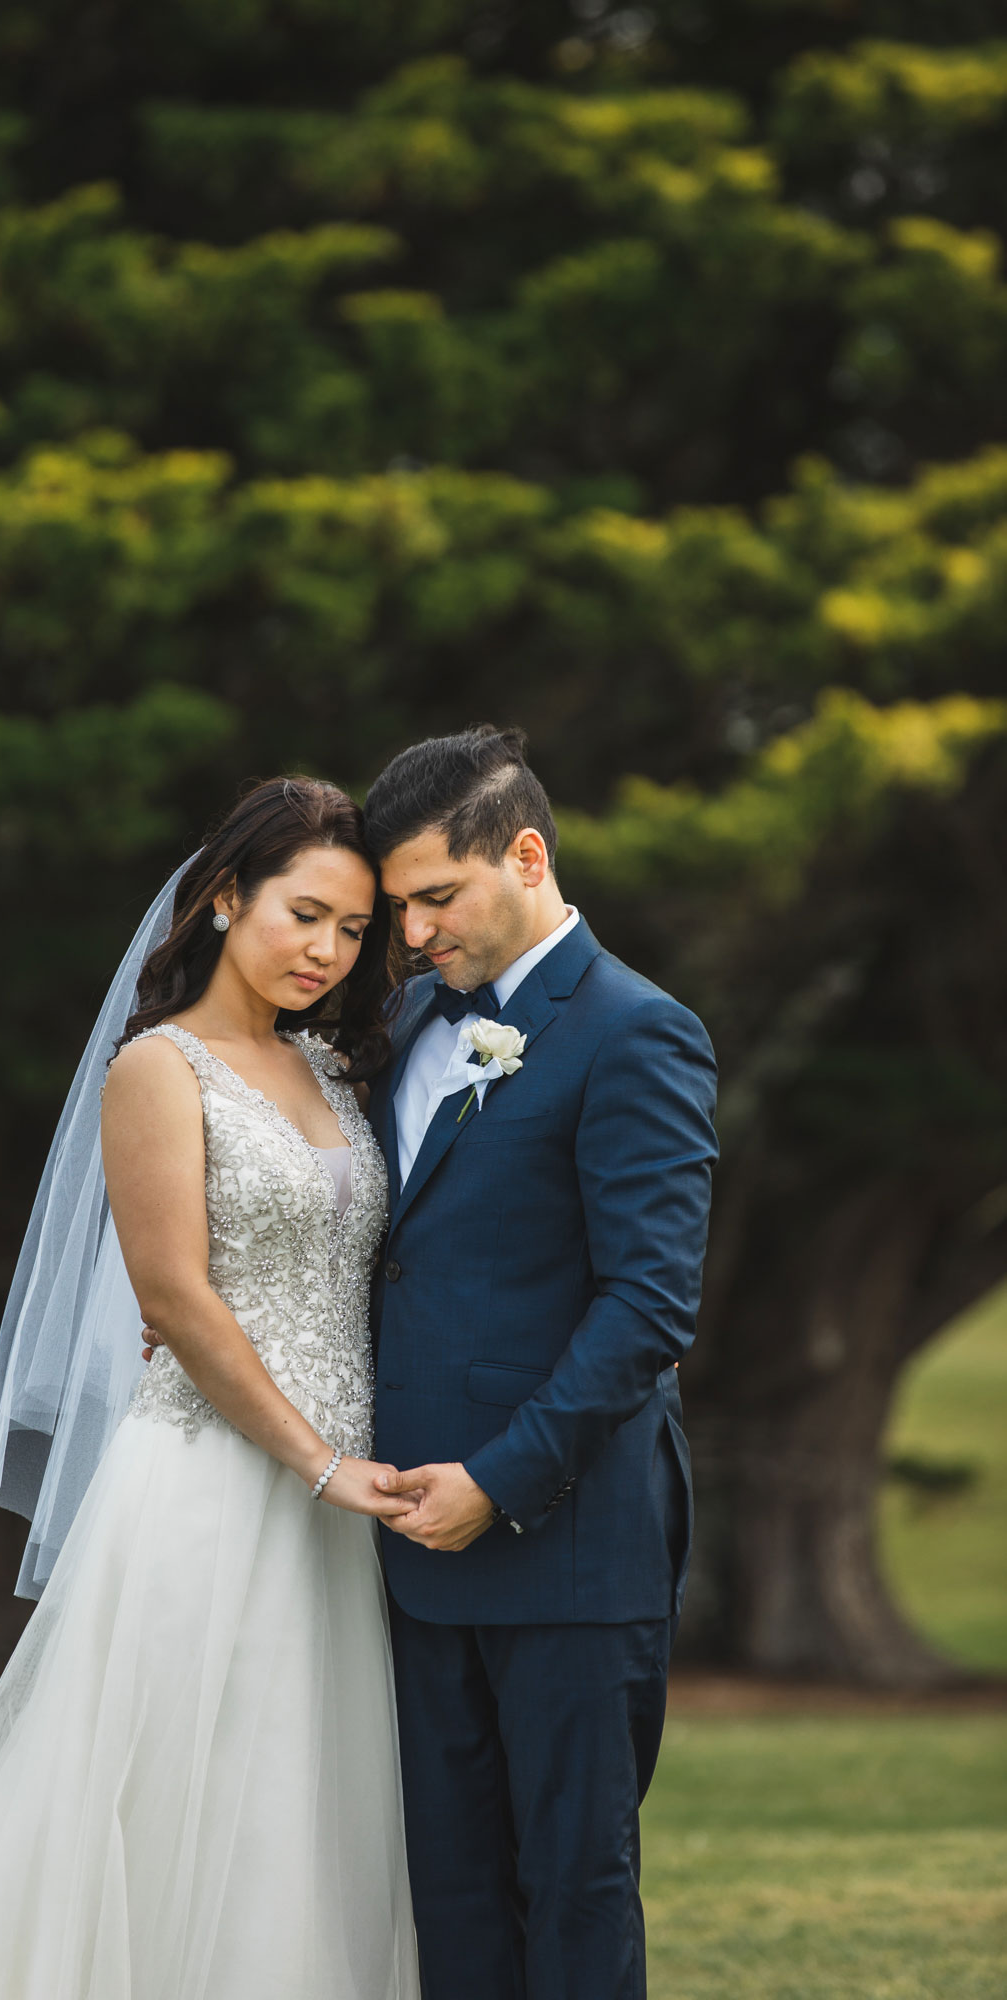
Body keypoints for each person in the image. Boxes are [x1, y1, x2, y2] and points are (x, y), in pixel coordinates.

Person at [0, 776, 421, 2000]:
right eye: (304, 913)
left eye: (353, 930)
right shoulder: (159, 1067)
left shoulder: (334, 1067)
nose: (326, 950)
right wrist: (315, 1459)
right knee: (177, 1810)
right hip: (215, 1486)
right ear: (221, 897)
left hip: (337, 1508)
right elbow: (177, 1300)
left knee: (300, 1813)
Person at [360, 724, 720, 2000]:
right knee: (449, 1895)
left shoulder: (637, 1031)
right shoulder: (407, 1022)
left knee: (569, 1892)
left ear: (524, 852)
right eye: (397, 904)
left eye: (434, 897)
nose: (409, 932)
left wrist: (497, 1479)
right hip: (408, 1545)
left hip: (568, 1547)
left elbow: (647, 1304)